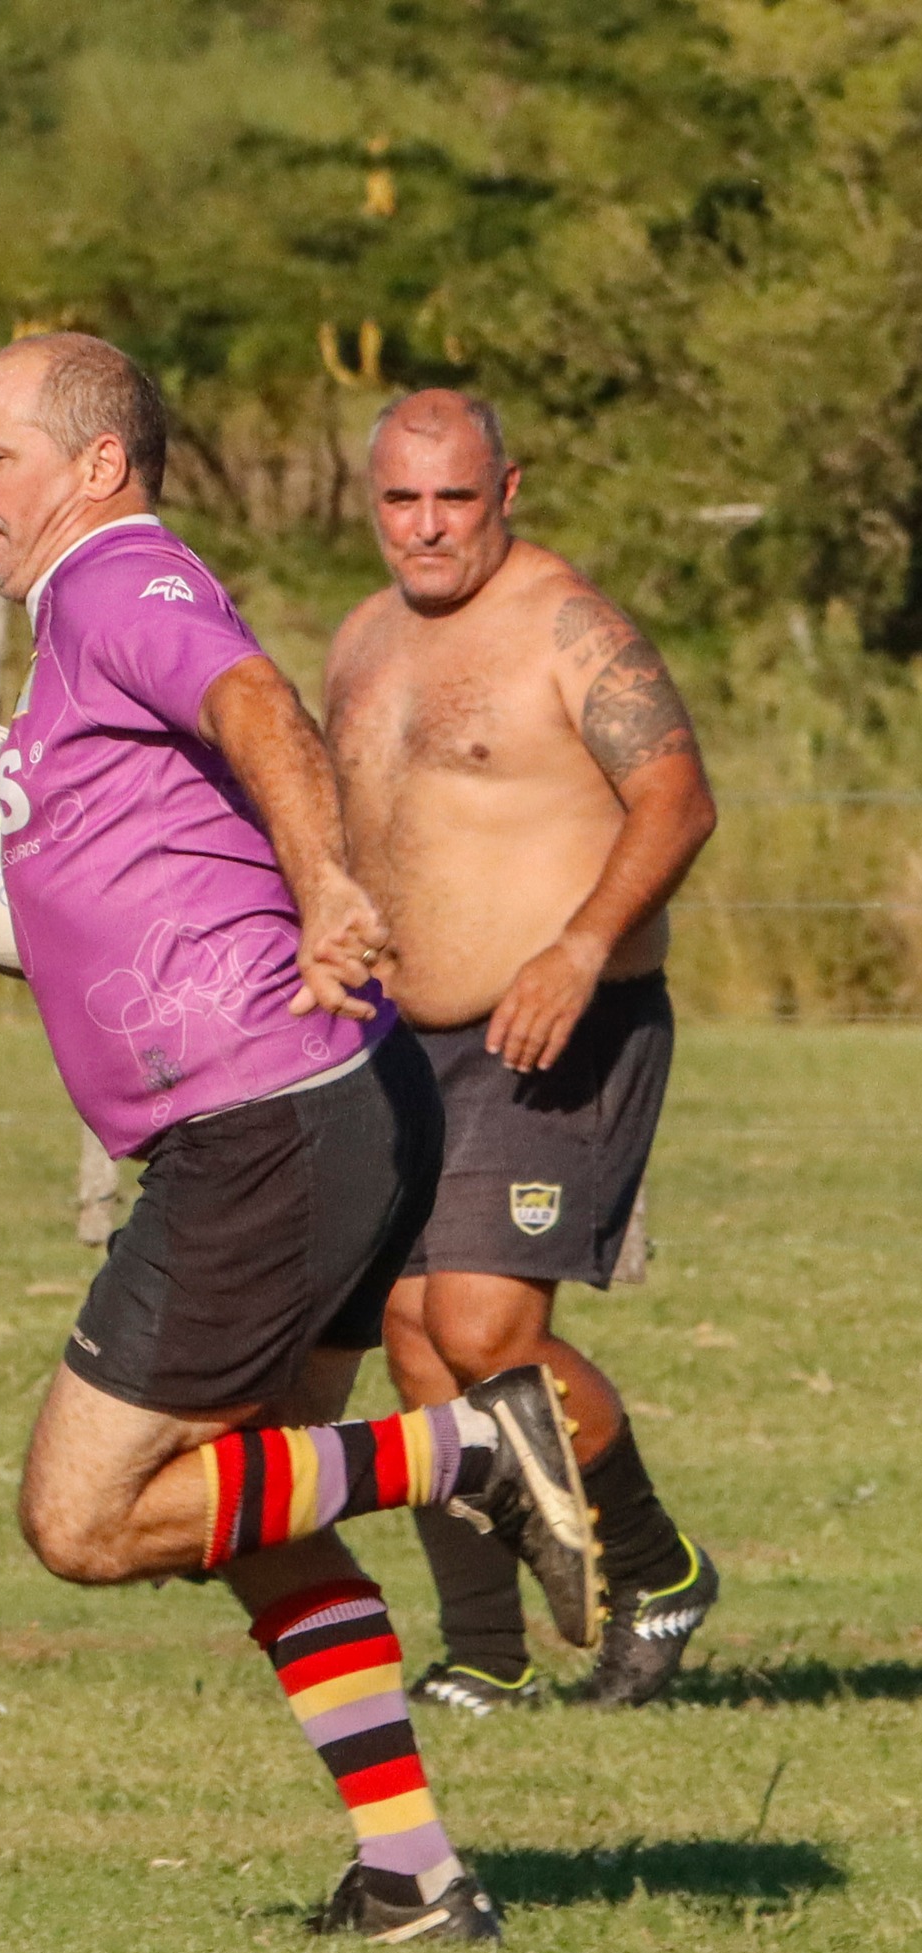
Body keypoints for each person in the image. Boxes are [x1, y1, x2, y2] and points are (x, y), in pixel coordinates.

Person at [0, 333, 599, 1945]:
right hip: (315, 1106)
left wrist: (330, 880)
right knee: (255, 1505)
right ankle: (410, 1875)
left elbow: (258, 705)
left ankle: (472, 1444)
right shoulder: (68, 645)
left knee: (90, 1516)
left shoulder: (123, 579)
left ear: (96, 464)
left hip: (263, 1118)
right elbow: (106, 896)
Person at [324, 389, 720, 1713]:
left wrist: (579, 946)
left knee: (486, 1329)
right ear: (367, 499)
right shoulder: (360, 641)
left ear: (508, 488)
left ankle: (656, 1575)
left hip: (555, 1022)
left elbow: (676, 794)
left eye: (453, 496)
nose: (426, 527)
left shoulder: (568, 627)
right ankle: (483, 1653)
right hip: (398, 1042)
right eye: (400, 500)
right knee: (413, 1343)